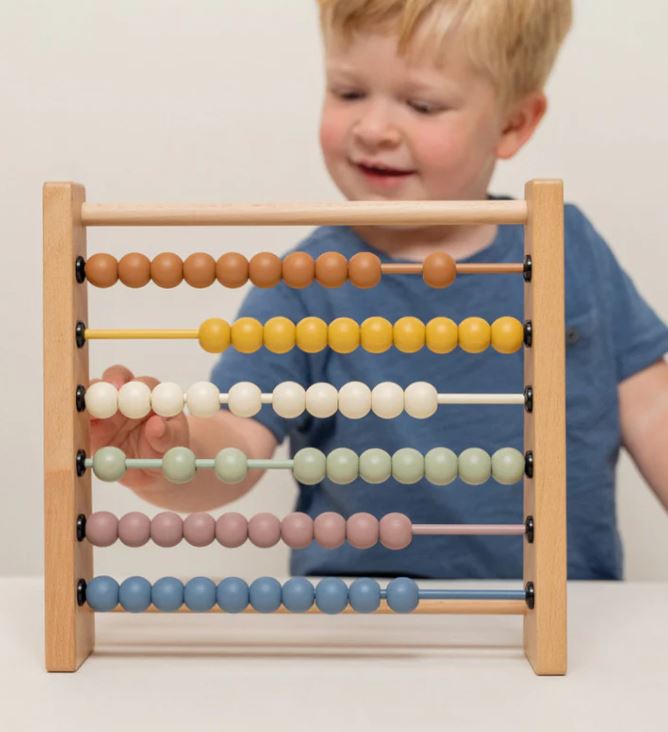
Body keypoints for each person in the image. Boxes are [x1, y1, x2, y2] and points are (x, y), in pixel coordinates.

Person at [92, 0, 668, 580]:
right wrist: (175, 453)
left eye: (421, 104)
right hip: (364, 629)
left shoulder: (565, 249)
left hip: (562, 625)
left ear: (513, 124)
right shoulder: (306, 283)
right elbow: (239, 437)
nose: (372, 129)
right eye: (347, 93)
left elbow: (652, 408)